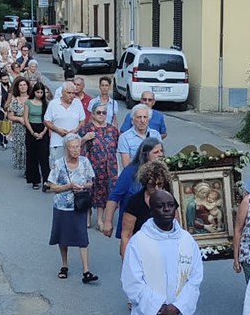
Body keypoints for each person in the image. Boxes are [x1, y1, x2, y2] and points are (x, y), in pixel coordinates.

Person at [47, 134, 98, 283]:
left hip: (79, 205)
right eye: (72, 147)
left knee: (82, 236)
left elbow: (91, 182)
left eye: (78, 147)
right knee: (63, 236)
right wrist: (69, 186)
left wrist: (82, 186)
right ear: (66, 149)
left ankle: (86, 271)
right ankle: (64, 265)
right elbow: (53, 187)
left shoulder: (85, 162)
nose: (76, 150)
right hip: (62, 206)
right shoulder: (59, 163)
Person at [102, 139, 165, 238]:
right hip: (133, 225)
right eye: (156, 152)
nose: (160, 154)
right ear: (146, 154)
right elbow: (114, 196)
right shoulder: (130, 172)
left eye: (161, 151)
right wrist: (108, 222)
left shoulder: (163, 171)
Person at [120, 161, 174, 259]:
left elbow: (177, 227)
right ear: (145, 183)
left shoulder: (169, 199)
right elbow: (126, 235)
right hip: (142, 251)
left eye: (160, 184)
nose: (157, 188)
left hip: (166, 250)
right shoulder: (135, 201)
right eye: (152, 185)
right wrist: (126, 263)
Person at [80, 103, 119, 227]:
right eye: (98, 112)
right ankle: (87, 215)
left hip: (109, 166)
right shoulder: (87, 128)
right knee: (90, 190)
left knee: (104, 192)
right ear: (93, 114)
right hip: (92, 165)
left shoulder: (112, 130)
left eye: (104, 112)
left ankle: (100, 219)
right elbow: (75, 146)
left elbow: (117, 146)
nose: (101, 115)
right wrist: (85, 138)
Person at [44, 80, 85, 170]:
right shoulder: (53, 104)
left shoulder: (77, 103)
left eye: (73, 93)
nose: (71, 95)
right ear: (62, 92)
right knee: (57, 168)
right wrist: (58, 130)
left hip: (74, 143)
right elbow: (46, 121)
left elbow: (82, 121)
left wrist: (76, 130)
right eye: (69, 93)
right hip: (57, 142)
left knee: (73, 169)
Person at [24, 79, 51, 188]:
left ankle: (46, 180)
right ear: (34, 92)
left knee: (44, 156)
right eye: (37, 92)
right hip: (31, 128)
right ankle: (35, 180)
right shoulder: (28, 102)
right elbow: (26, 119)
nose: (39, 94)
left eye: (41, 92)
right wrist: (32, 132)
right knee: (32, 156)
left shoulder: (45, 104)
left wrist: (43, 132)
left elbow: (48, 119)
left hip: (43, 128)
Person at [7, 77, 29, 171]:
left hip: (31, 126)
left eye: (24, 85)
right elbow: (10, 116)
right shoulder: (15, 100)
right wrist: (19, 119)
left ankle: (30, 166)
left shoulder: (31, 99)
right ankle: (24, 167)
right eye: (20, 85)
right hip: (19, 127)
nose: (23, 87)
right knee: (20, 147)